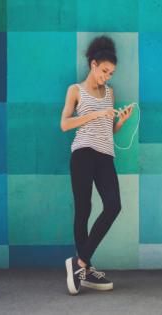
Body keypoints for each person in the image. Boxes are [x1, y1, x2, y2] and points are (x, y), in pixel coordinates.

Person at [60, 35, 133, 295]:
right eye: (104, 71)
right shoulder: (75, 90)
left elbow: (107, 130)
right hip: (82, 153)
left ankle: (79, 264)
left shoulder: (110, 93)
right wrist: (94, 114)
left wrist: (119, 121)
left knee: (113, 205)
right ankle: (87, 270)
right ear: (93, 65)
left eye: (111, 73)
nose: (107, 77)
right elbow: (65, 124)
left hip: (105, 154)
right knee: (84, 209)